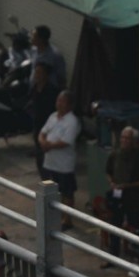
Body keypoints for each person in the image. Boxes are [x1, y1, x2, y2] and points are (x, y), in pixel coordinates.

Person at [37, 90, 80, 230]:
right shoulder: (53, 116)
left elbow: (66, 142)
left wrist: (49, 145)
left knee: (67, 192)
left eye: (62, 101)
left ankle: (67, 219)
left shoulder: (72, 121)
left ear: (70, 105)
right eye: (58, 101)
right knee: (54, 190)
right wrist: (43, 142)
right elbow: (42, 132)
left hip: (64, 165)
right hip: (50, 162)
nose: (59, 104)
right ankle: (57, 216)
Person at [101, 126, 139, 266]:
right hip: (117, 195)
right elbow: (108, 171)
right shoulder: (115, 154)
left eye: (127, 138)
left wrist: (127, 186)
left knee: (134, 226)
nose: (124, 141)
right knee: (114, 225)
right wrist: (112, 182)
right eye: (123, 137)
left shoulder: (137, 157)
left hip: (134, 197)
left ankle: (135, 257)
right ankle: (113, 256)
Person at [26, 62, 57, 172]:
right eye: (36, 72)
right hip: (37, 124)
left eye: (39, 72)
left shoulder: (52, 90)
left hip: (49, 125)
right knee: (40, 153)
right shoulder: (34, 88)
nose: (37, 75)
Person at [30, 25, 67, 92]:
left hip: (47, 92)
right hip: (34, 89)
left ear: (41, 39)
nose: (31, 38)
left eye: (34, 36)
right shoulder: (34, 50)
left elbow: (61, 78)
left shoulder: (55, 56)